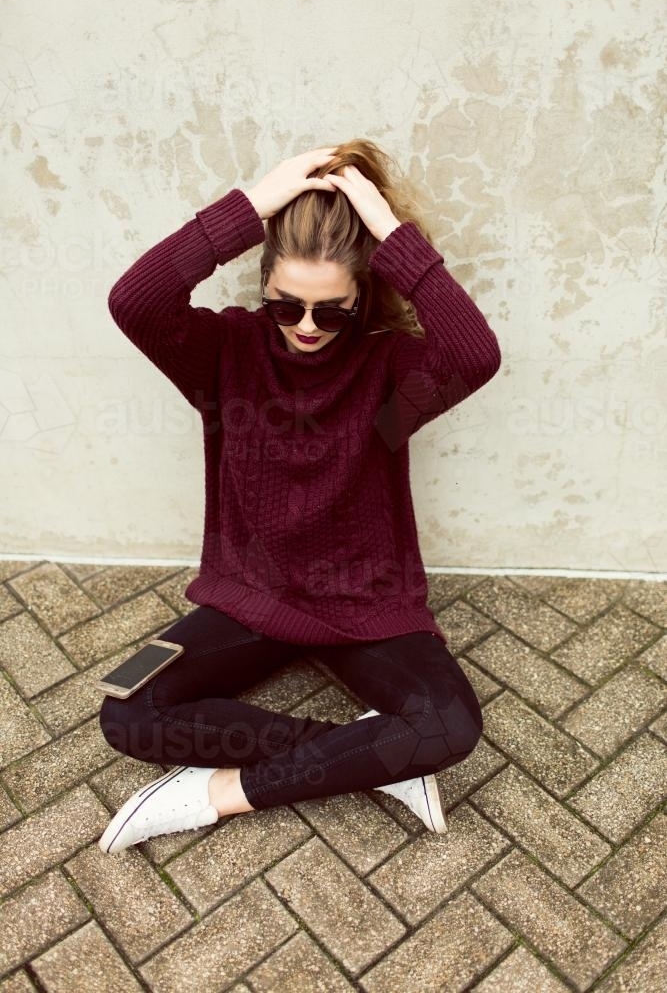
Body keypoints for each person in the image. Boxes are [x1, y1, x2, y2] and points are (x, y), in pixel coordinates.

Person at [97, 139, 502, 854]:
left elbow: (473, 354)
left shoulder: (389, 377)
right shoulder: (223, 356)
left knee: (450, 727)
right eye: (286, 306)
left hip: (366, 608)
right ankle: (373, 761)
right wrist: (250, 207)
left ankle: (216, 796)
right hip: (250, 600)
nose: (307, 326)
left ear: (364, 298)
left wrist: (388, 231)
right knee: (126, 714)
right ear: (263, 288)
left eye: (332, 312)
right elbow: (136, 300)